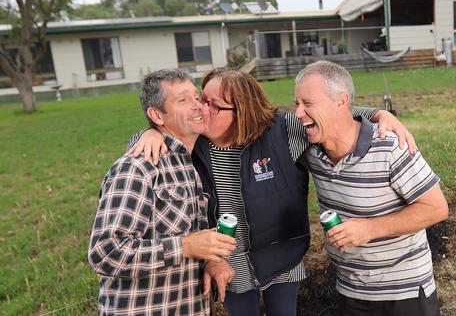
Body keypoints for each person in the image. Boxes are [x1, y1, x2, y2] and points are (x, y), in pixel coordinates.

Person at [129, 69, 415, 316]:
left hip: (283, 256)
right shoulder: (196, 144)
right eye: (203, 101)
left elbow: (330, 116)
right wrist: (148, 132)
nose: (203, 110)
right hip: (230, 264)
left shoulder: (282, 131)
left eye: (214, 105)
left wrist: (379, 113)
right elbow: (160, 138)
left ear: (243, 110)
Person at [294, 61, 449, 316]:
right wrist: (379, 111)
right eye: (297, 103)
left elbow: (436, 208)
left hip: (404, 293)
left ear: (340, 102)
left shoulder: (390, 145)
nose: (298, 113)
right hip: (350, 290)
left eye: (307, 104)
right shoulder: (310, 148)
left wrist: (370, 229)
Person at [88, 69, 236, 315]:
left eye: (197, 98)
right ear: (157, 115)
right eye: (183, 100)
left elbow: (189, 234)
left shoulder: (192, 162)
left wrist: (212, 258)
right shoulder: (138, 168)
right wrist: (185, 247)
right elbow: (105, 252)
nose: (198, 106)